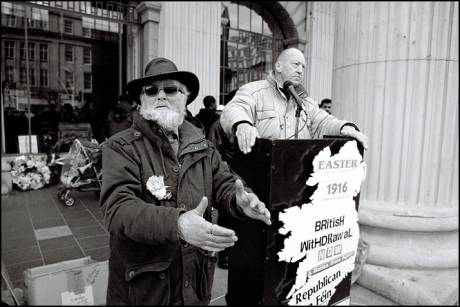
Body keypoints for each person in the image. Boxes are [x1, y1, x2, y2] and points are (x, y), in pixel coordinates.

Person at [99, 57, 272, 305]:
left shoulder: (203, 145)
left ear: (185, 97)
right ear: (141, 99)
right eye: (151, 90)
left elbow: (223, 182)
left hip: (194, 283)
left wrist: (240, 200)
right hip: (145, 290)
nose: (161, 96)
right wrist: (178, 224)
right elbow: (117, 209)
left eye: (170, 89)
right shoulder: (120, 147)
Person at [219, 47, 368, 305]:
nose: (301, 69)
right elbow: (236, 109)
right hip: (259, 197)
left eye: (304, 66)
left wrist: (345, 128)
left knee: (284, 266)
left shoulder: (302, 99)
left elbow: (322, 120)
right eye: (296, 64)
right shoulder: (254, 91)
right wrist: (242, 124)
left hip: (292, 196)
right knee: (254, 269)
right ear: (278, 66)